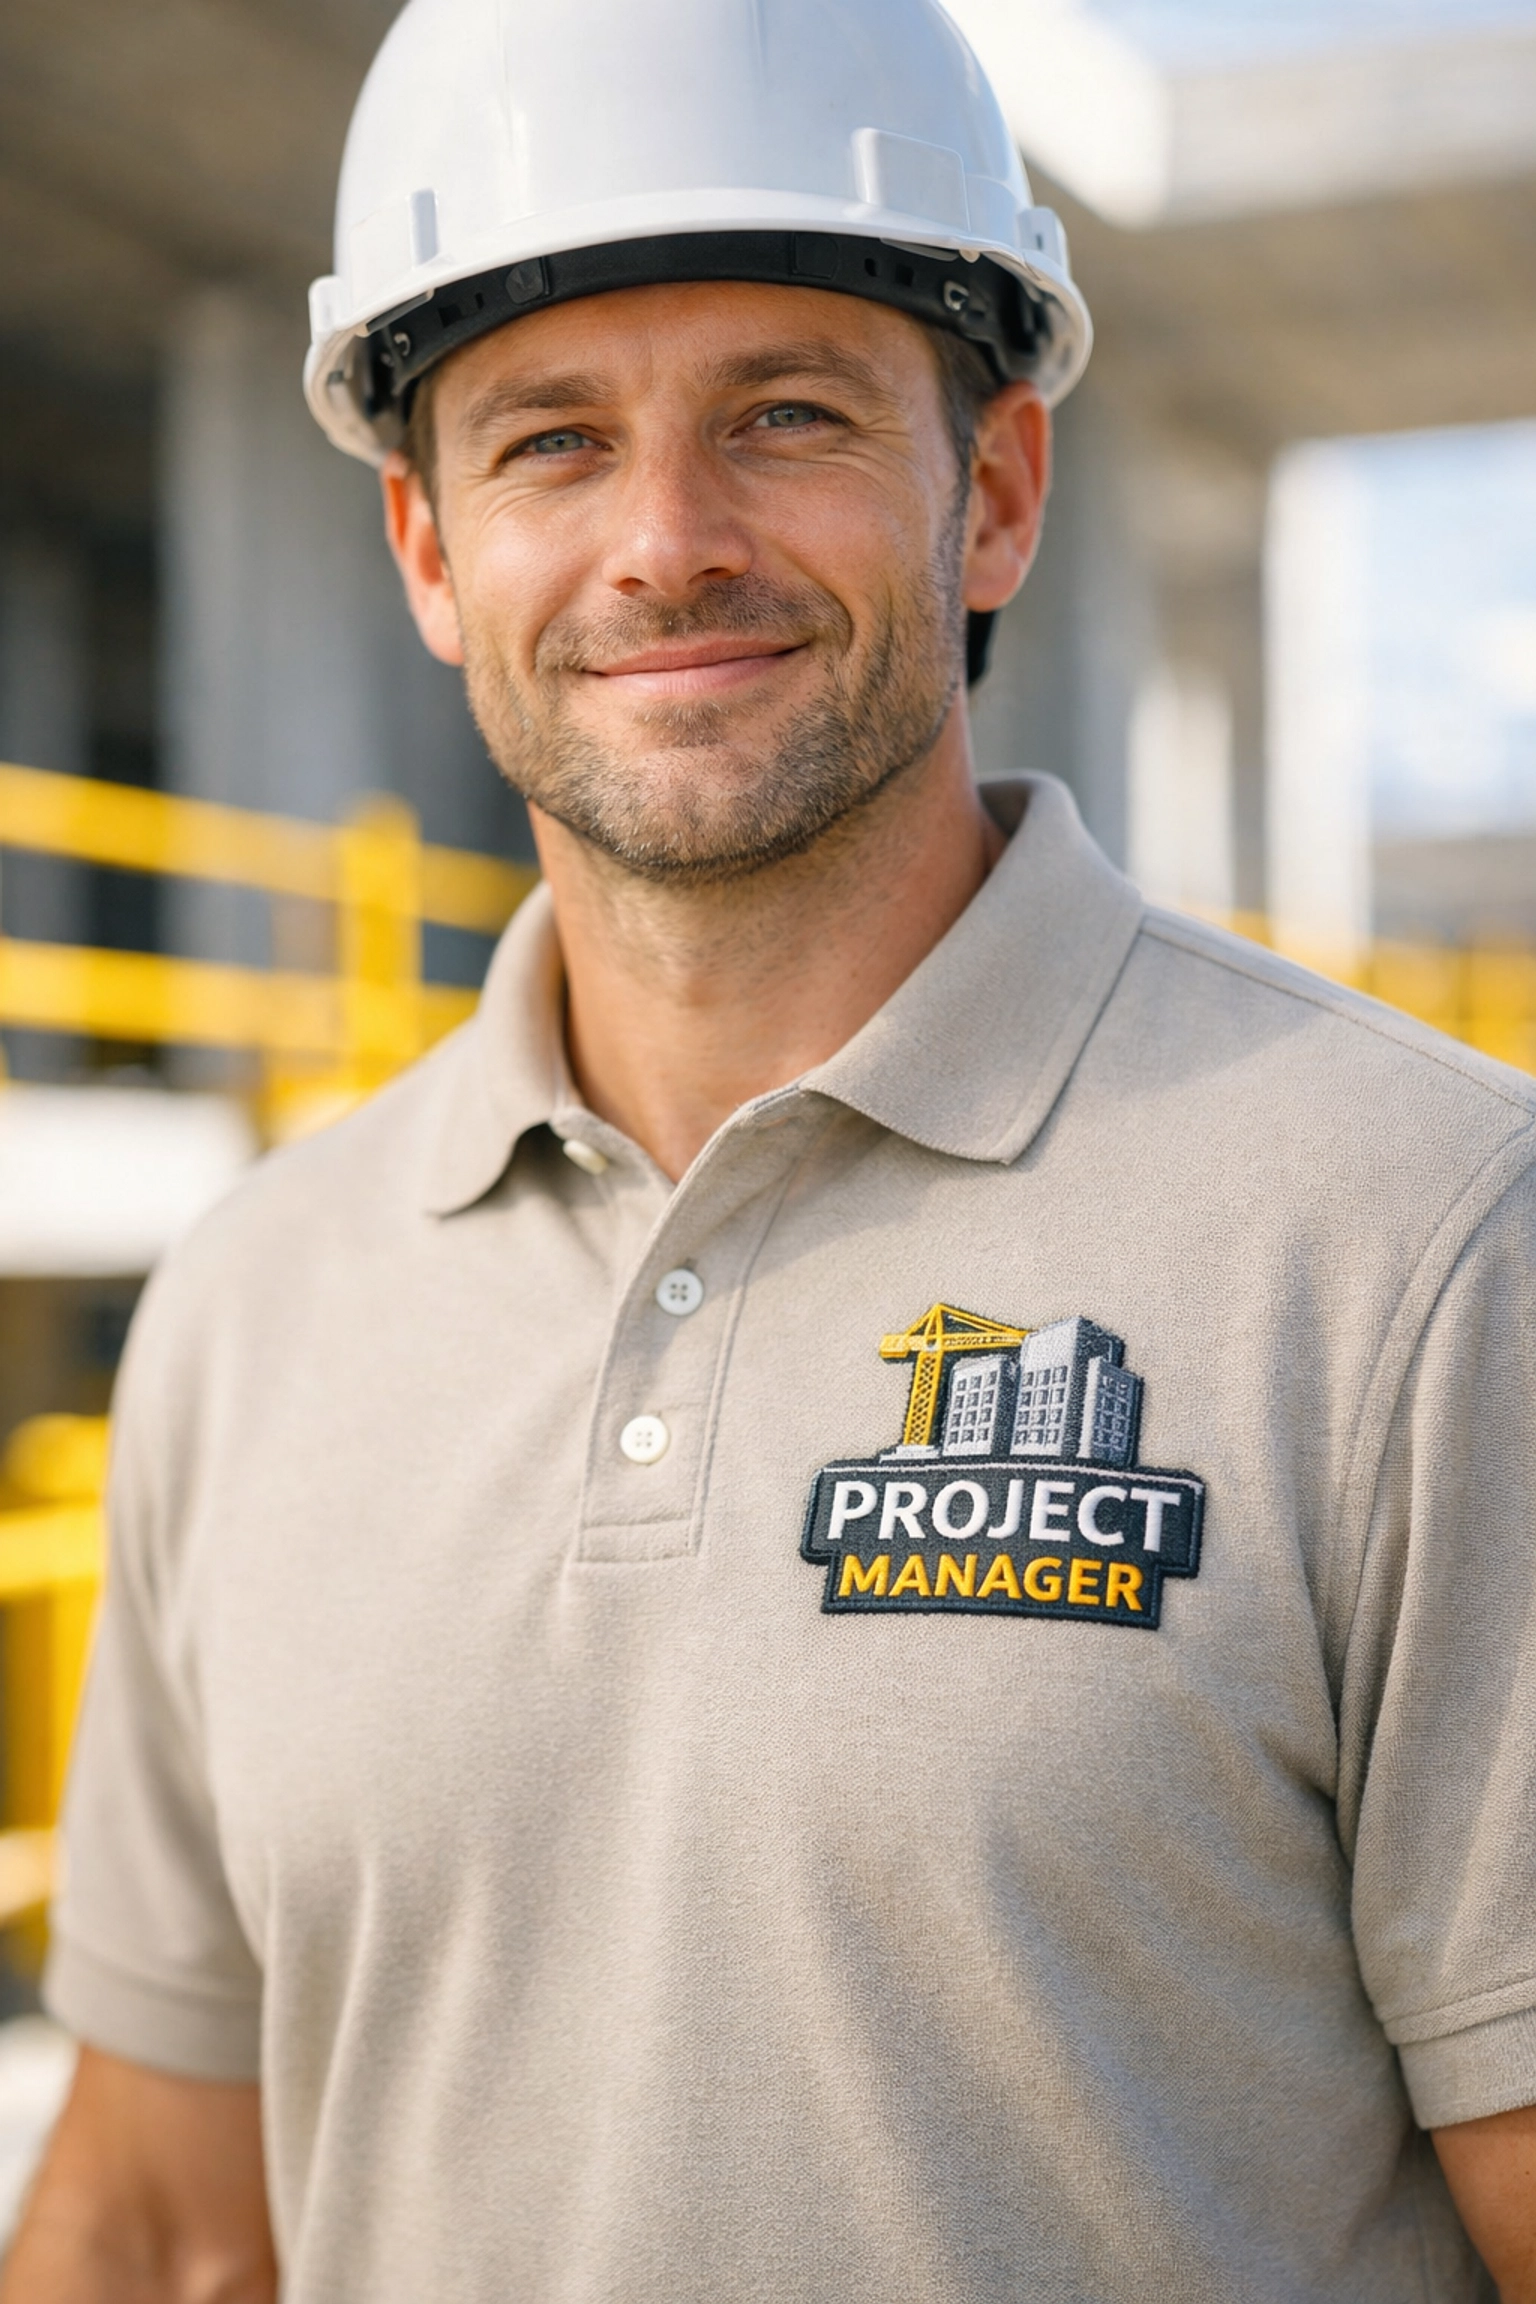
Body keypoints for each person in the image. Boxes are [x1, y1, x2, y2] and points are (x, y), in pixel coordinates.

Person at [7, 0, 1536, 2296]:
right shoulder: (259, 1298)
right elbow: (152, 2218)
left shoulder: (1427, 1242)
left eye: (788, 415)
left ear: (996, 488)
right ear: (429, 549)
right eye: (548, 444)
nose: (666, 545)